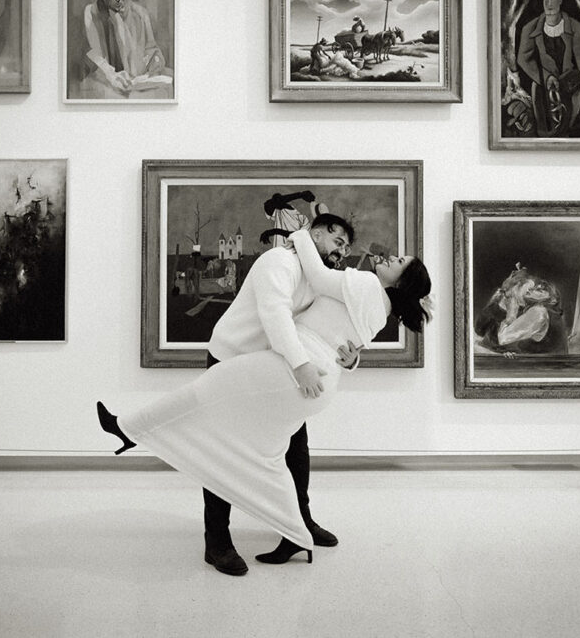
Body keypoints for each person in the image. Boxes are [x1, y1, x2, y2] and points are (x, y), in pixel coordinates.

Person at [97, 226, 433, 574]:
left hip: (286, 372)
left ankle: (129, 428)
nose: (342, 250)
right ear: (317, 235)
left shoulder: (346, 280)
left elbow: (335, 330)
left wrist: (337, 360)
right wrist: (314, 362)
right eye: (337, 241)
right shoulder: (283, 262)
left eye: (346, 246)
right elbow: (279, 316)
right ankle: (240, 537)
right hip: (250, 359)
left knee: (274, 447)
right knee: (253, 451)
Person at [516, 0, 580, 137]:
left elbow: (579, 51)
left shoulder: (574, 25)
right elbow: (523, 59)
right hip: (543, 83)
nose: (549, 4)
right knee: (546, 128)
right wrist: (546, 77)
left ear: (560, 0)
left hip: (569, 80)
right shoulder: (530, 28)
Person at [79, 0, 173, 99]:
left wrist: (156, 61)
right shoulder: (92, 11)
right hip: (109, 80)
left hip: (139, 80)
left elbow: (151, 49)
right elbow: (94, 53)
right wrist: (110, 74)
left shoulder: (141, 13)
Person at [476, 265, 566, 356]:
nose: (529, 291)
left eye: (538, 289)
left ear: (548, 296)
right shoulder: (540, 310)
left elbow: (503, 338)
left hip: (546, 365)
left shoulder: (538, 312)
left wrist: (511, 314)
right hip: (545, 363)